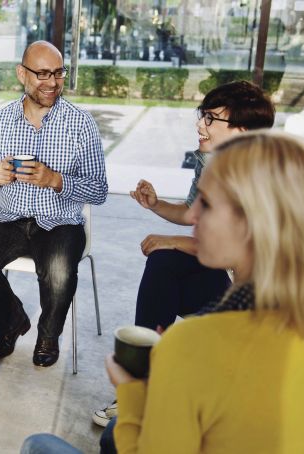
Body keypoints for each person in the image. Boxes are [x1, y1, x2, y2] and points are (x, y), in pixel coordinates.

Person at [92, 80, 275, 428]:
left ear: (242, 130)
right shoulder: (210, 161)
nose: (199, 125)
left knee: (167, 258)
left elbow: (237, 252)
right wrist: (156, 205)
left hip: (257, 301)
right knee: (163, 264)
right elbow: (193, 214)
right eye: (201, 116)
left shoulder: (259, 177)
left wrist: (175, 241)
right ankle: (145, 375)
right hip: (230, 285)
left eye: (210, 119)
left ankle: (157, 383)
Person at [0, 41, 108, 367]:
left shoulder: (80, 123)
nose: (53, 83)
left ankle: (48, 336)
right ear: (21, 74)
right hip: (11, 216)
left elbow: (99, 191)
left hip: (62, 220)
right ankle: (12, 320)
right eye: (42, 73)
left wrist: (56, 180)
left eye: (58, 73)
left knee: (58, 272)